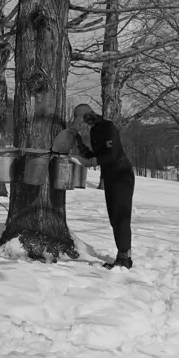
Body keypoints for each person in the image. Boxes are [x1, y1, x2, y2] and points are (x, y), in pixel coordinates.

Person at [52, 103, 135, 270]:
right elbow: (96, 154)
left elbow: (110, 155)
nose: (83, 124)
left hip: (121, 175)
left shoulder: (107, 127)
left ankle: (124, 258)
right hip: (110, 176)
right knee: (114, 217)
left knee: (121, 216)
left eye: (83, 120)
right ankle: (123, 255)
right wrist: (81, 147)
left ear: (89, 115)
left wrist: (87, 162)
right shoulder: (95, 130)